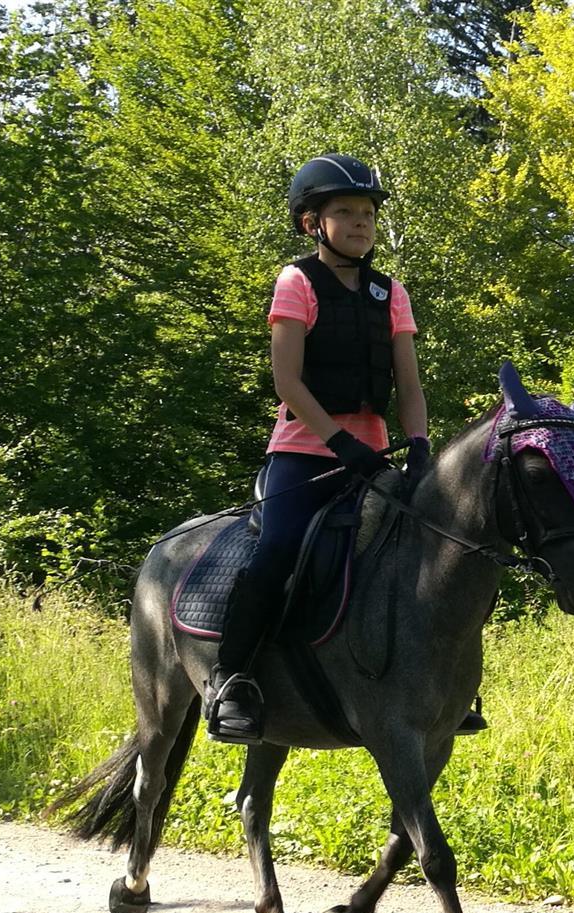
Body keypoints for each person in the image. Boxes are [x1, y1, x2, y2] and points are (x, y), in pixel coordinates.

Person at [203, 153, 486, 744]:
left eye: (367, 213)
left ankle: (441, 688)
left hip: (375, 459)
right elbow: (288, 382)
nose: (361, 223)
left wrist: (419, 447)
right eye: (346, 212)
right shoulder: (297, 282)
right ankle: (230, 680)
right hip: (304, 455)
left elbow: (409, 385)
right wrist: (338, 444)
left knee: (432, 554)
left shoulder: (391, 293)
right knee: (278, 548)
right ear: (313, 223)